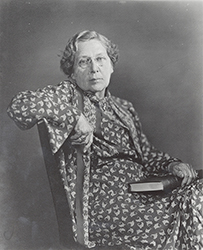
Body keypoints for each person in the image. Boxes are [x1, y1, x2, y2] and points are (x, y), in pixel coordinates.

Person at [7, 30, 203, 250]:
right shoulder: (69, 94)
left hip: (141, 193)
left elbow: (146, 155)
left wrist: (171, 164)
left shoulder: (124, 108)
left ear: (111, 65)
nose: (94, 68)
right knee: (192, 202)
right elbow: (19, 106)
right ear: (72, 72)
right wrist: (75, 117)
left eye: (100, 59)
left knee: (198, 190)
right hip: (102, 206)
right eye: (84, 62)